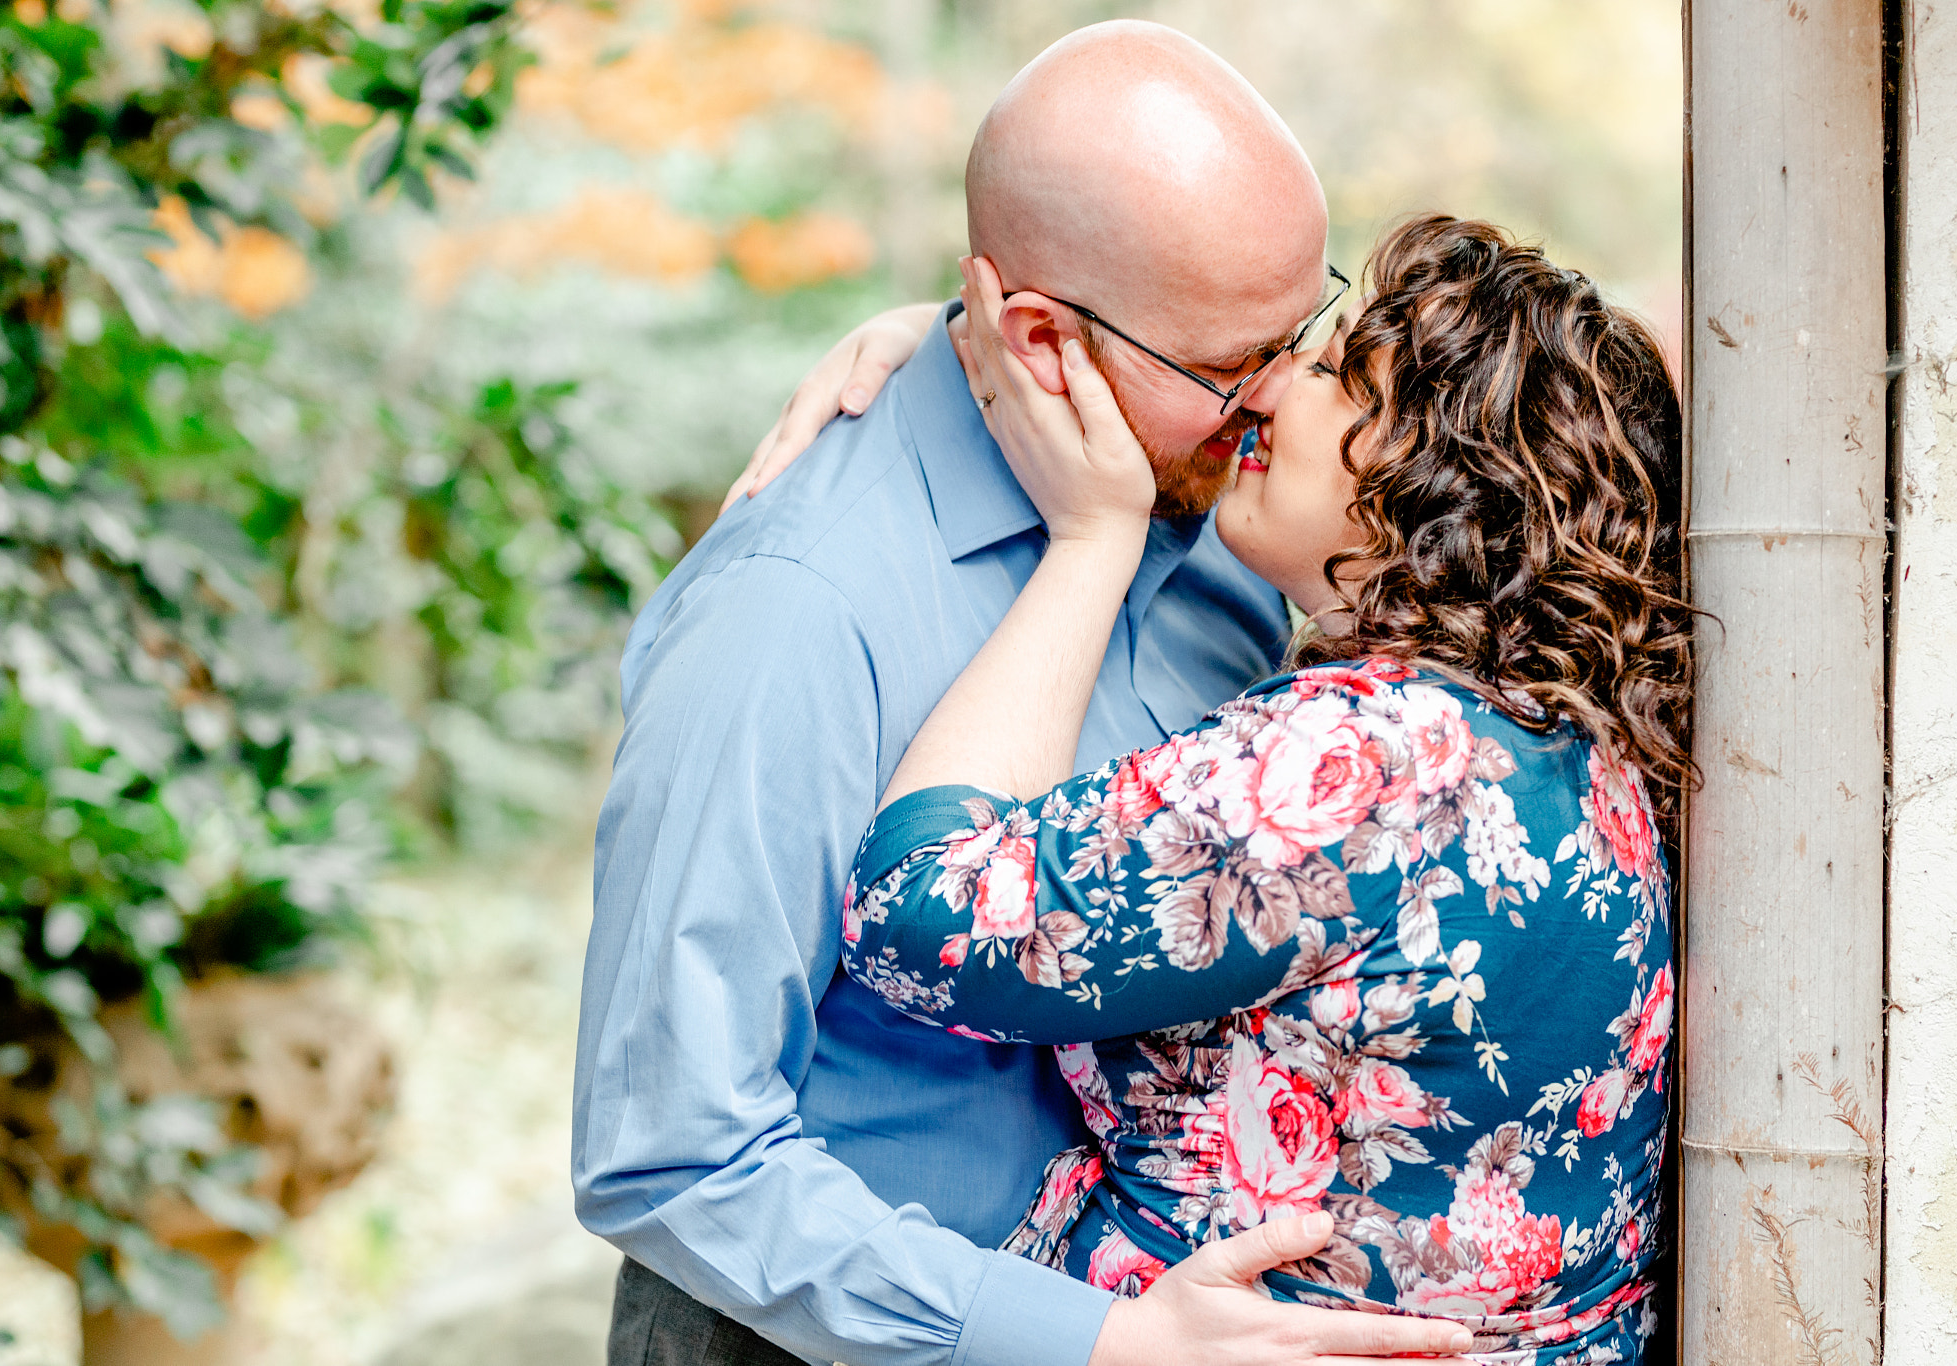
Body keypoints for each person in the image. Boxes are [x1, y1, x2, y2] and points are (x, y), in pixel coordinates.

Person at [574, 19, 1473, 1366]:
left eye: (1304, 332)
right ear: (1039, 335)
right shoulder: (792, 613)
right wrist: (1091, 1342)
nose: (1283, 400)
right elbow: (670, 1148)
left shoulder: (1218, 528)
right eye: (1236, 364)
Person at [825, 217, 1688, 1363]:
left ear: (1430, 470)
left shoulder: (1365, 757)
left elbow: (915, 918)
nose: (1269, 389)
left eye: (1332, 370)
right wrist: (949, 356)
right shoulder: (1588, 745)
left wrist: (1093, 537)